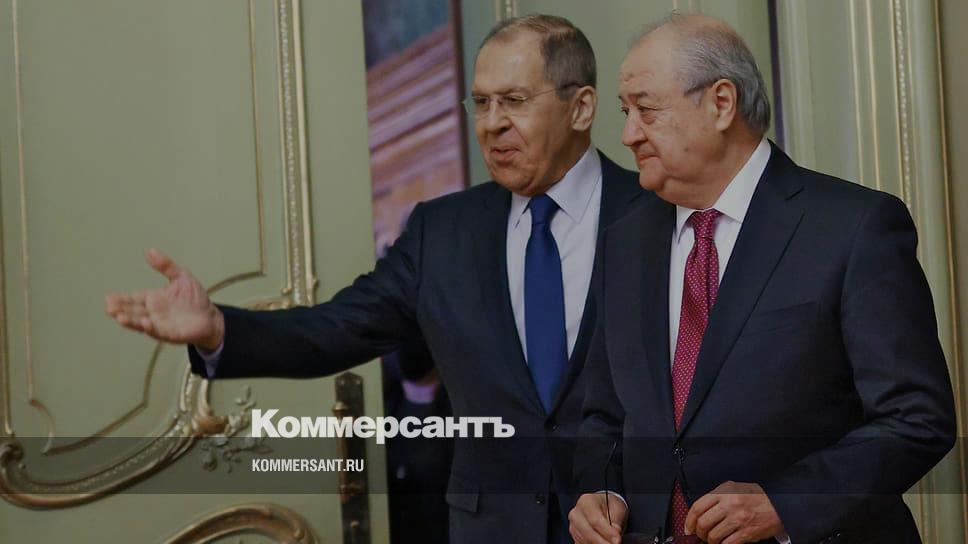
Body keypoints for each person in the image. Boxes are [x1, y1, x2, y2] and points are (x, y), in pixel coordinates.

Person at [105, 14, 645, 544]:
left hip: (632, 523)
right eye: (481, 103)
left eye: (515, 100)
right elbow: (338, 327)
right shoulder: (441, 232)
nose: (491, 123)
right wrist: (218, 329)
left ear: (581, 108)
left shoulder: (652, 214)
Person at [568, 13, 955, 544]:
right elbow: (602, 418)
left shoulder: (852, 227)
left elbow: (916, 418)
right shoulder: (624, 241)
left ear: (721, 103)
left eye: (647, 110)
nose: (628, 134)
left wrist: (787, 503)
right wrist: (601, 490)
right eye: (625, 111)